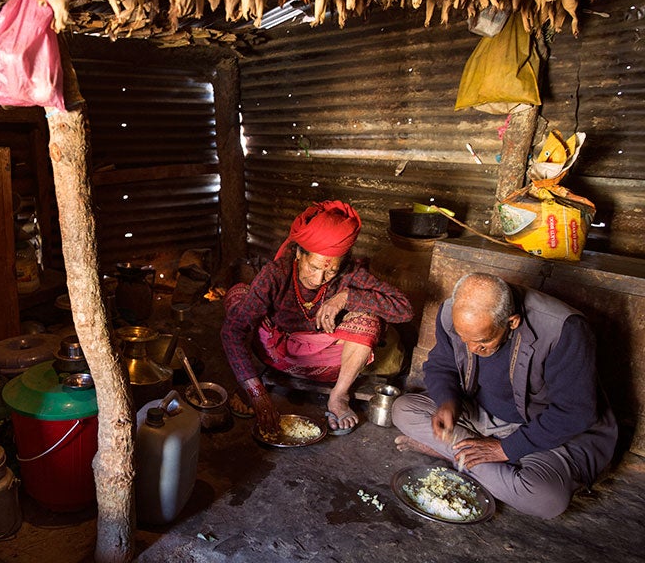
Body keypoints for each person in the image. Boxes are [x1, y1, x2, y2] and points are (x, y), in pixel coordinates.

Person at [392, 272, 617, 519]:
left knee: (546, 499)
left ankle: (456, 455)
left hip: (545, 432)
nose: (471, 350)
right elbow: (441, 365)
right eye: (463, 339)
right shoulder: (452, 314)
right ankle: (479, 461)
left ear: (512, 322)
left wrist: (506, 449)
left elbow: (575, 412)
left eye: (481, 343)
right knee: (403, 409)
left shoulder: (563, 329)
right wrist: (448, 402)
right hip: (482, 416)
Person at [221, 201, 413, 435]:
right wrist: (256, 393)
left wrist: (346, 297)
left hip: (329, 363)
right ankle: (250, 379)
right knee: (238, 296)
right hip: (277, 353)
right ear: (299, 254)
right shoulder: (276, 273)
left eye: (330, 270)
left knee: (368, 319)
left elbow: (405, 310)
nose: (319, 277)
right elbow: (233, 331)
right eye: (313, 267)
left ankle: (339, 395)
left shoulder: (349, 274)